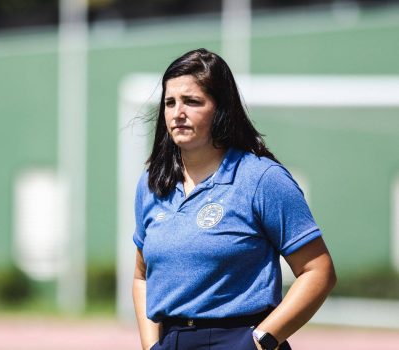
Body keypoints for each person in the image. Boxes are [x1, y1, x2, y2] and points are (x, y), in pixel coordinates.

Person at [132, 48, 337, 350]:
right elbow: (142, 277)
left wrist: (260, 340)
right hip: (172, 341)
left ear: (221, 108)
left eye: (192, 101)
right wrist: (151, 347)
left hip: (239, 338)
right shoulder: (152, 184)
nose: (178, 113)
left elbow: (318, 271)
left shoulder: (262, 179)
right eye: (170, 102)